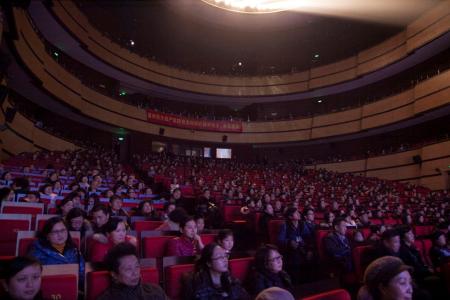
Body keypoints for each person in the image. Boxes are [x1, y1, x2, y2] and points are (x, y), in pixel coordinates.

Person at [98, 243, 168, 300]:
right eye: (128, 269)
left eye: (137, 267)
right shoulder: (107, 298)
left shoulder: (155, 290)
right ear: (114, 274)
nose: (135, 273)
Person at [28, 216, 85, 287]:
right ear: (47, 235)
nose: (60, 235)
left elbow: (82, 273)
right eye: (55, 232)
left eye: (63, 230)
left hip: (72, 288)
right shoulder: (36, 252)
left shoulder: (74, 250)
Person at [183, 243, 249, 300]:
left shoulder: (229, 278)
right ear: (209, 263)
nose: (225, 260)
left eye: (225, 255)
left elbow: (244, 296)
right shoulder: (199, 283)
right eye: (220, 257)